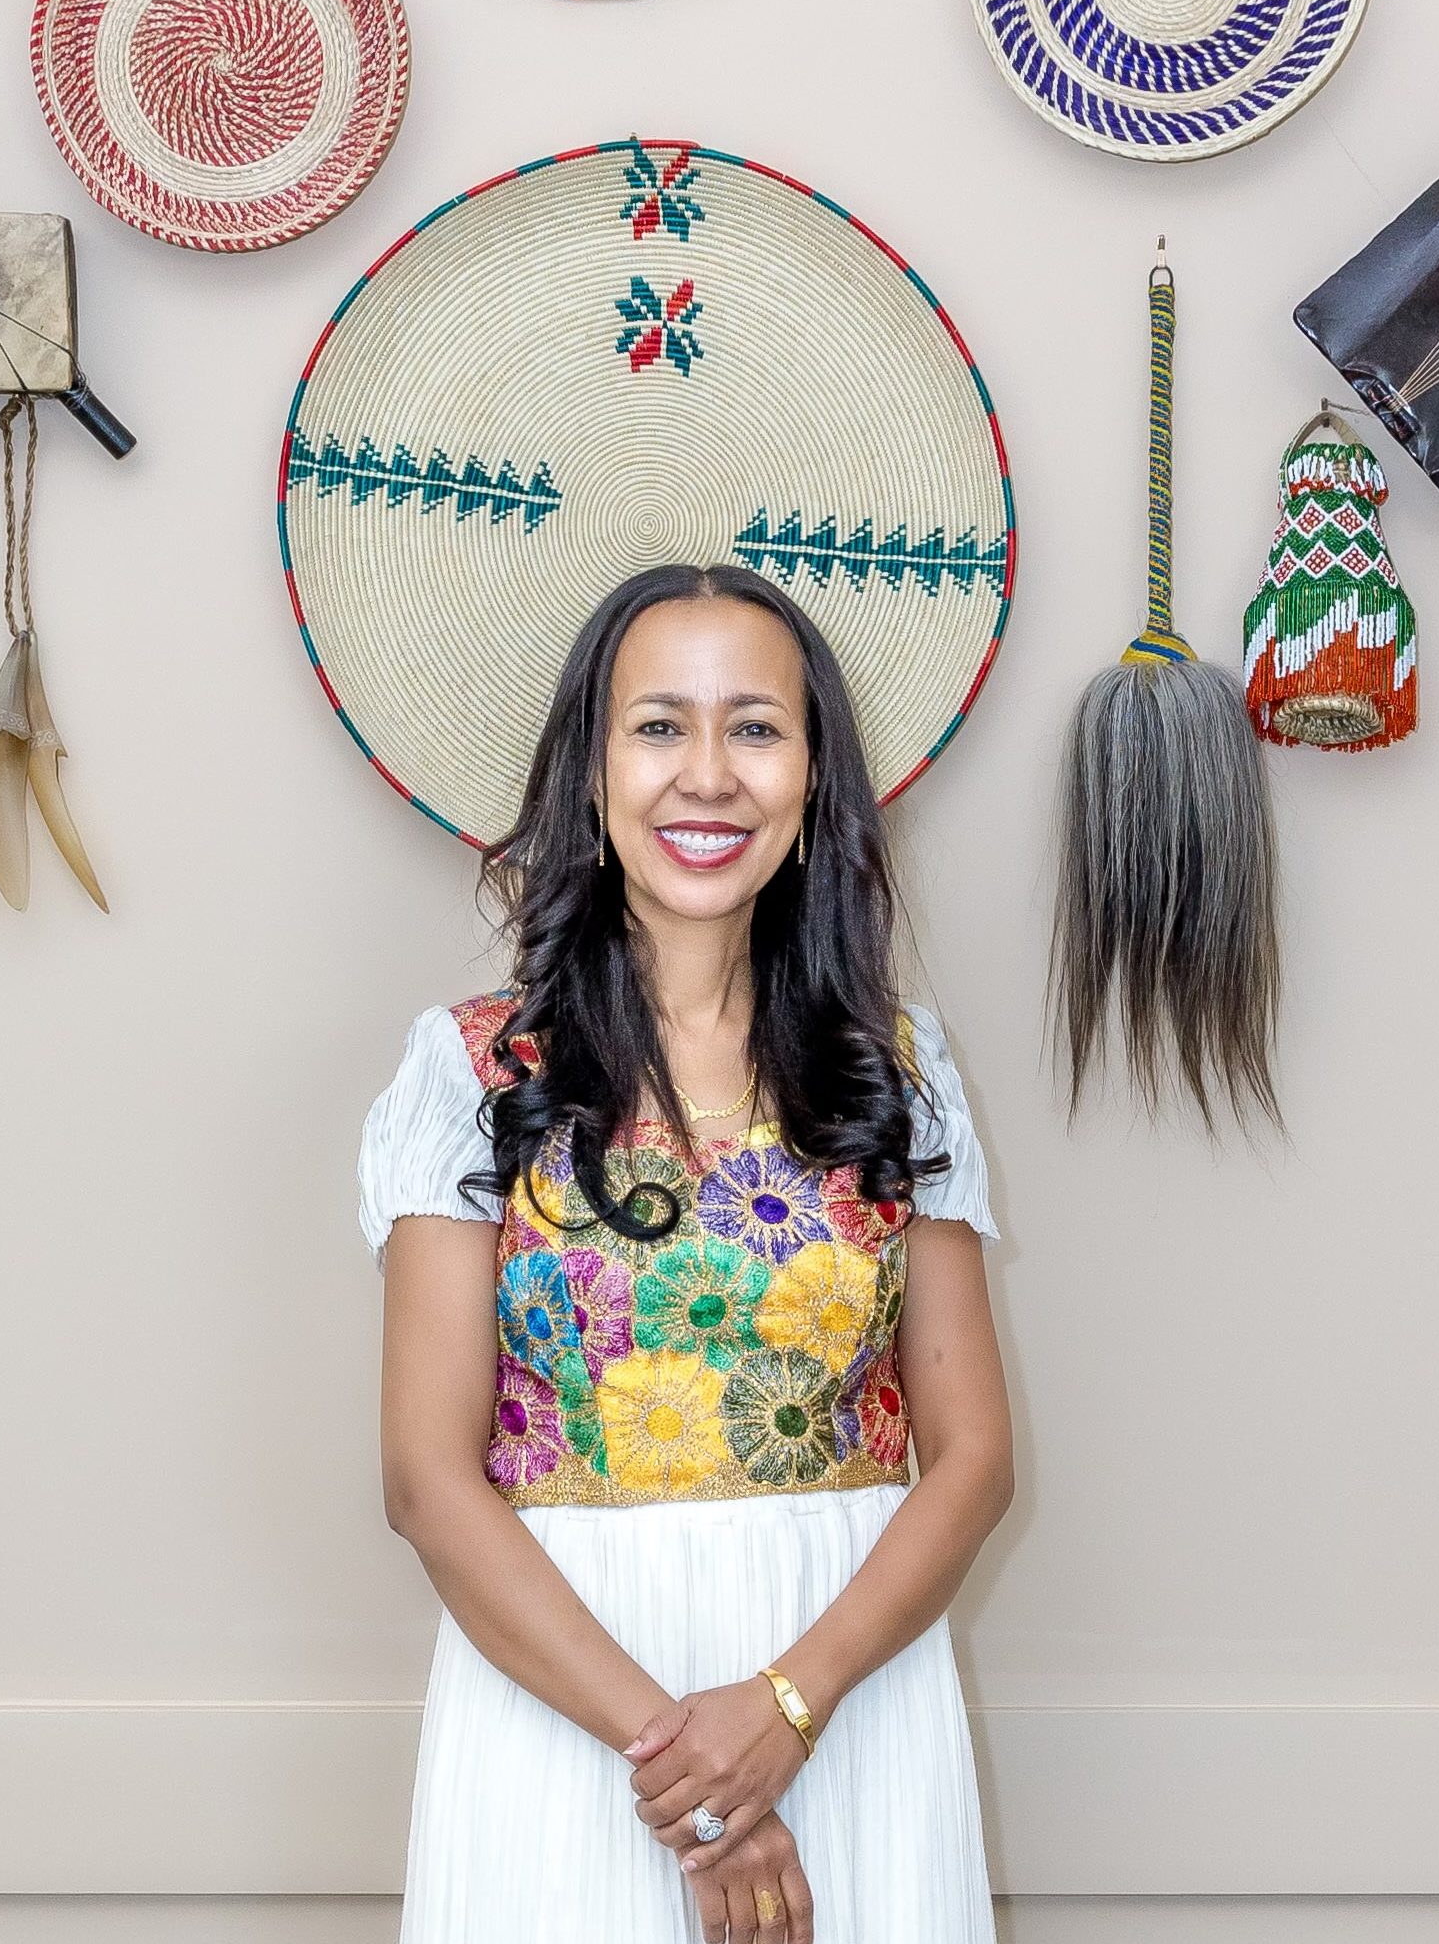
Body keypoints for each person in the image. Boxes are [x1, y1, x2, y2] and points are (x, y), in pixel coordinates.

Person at [361, 564, 1012, 1943]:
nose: (705, 775)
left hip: (849, 1699)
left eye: (755, 728)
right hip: (566, 1709)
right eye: (658, 726)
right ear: (588, 777)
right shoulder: (472, 1067)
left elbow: (970, 1462)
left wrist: (784, 1708)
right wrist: (690, 1771)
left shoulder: (903, 1068)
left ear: (813, 778)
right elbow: (426, 1479)